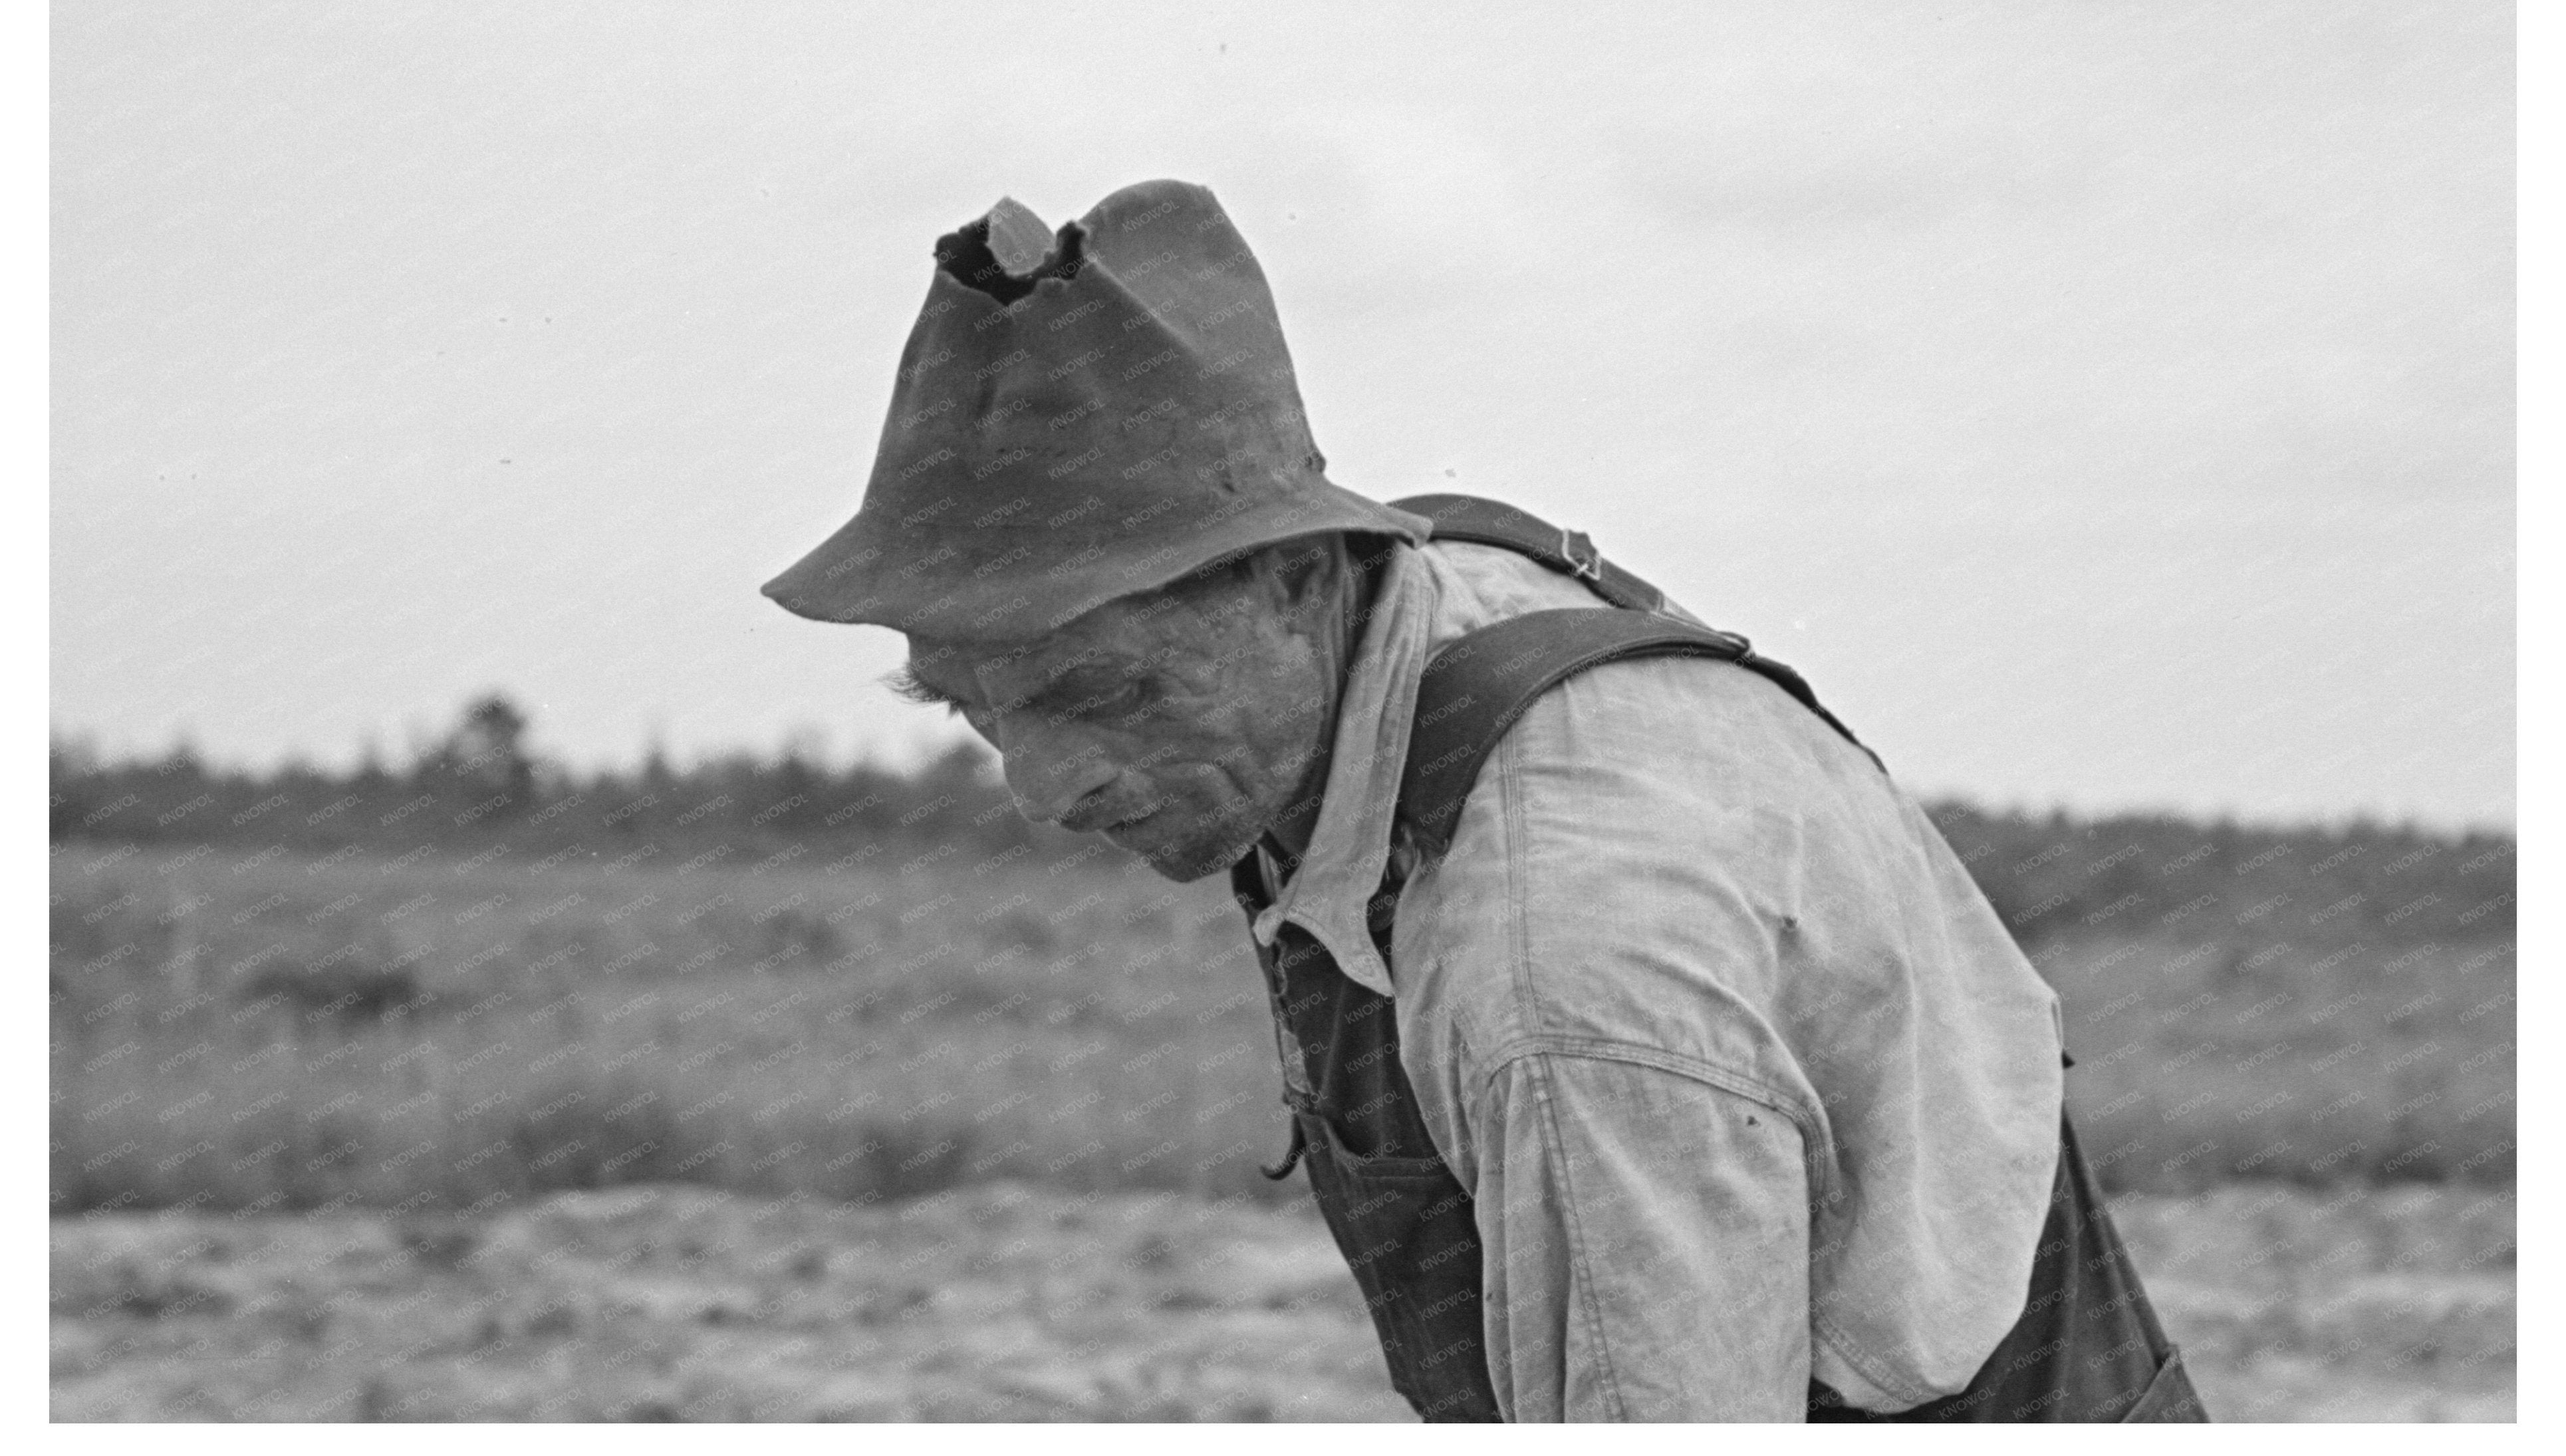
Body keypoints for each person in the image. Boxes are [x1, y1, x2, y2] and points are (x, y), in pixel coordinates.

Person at [761, 179, 2208, 1423]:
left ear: (1291, 574)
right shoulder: (1407, 610)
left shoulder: (1565, 961)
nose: (1039, 787)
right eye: (970, 705)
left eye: (1104, 692)